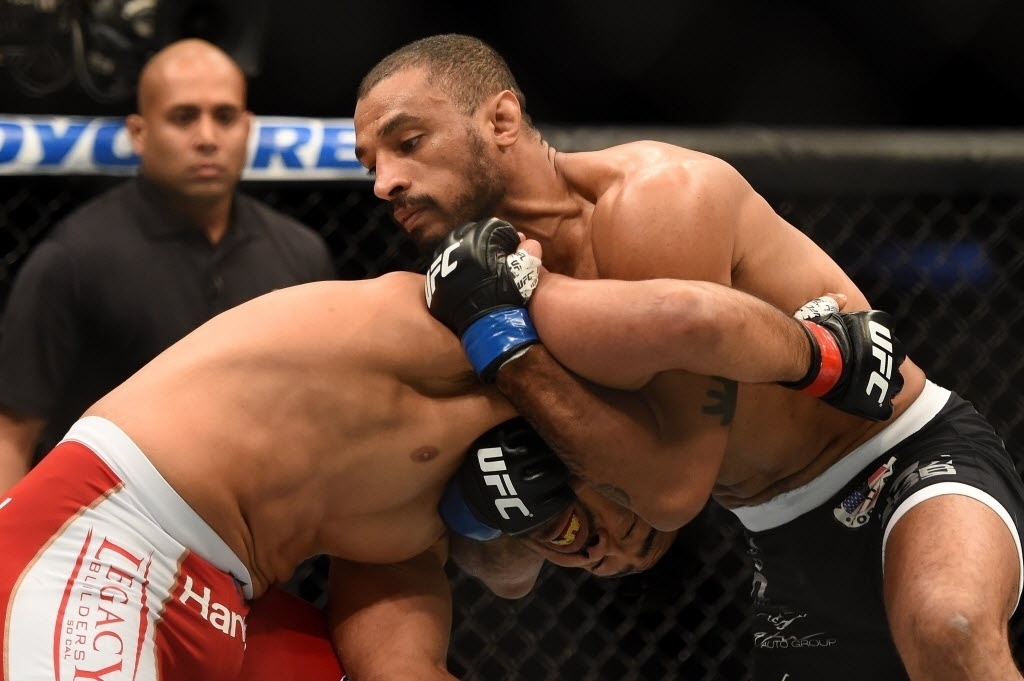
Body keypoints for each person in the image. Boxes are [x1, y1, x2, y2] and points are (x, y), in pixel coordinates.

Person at [350, 33, 1024, 681]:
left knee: (950, 623)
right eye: (370, 164)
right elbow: (522, 569)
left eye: (408, 143)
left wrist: (510, 344)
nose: (384, 182)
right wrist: (544, 515)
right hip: (778, 531)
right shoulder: (471, 290)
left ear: (501, 117)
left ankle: (820, 356)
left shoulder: (656, 200)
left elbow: (671, 489)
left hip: (904, 456)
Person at [0, 268, 865, 680]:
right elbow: (682, 314)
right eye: (623, 524)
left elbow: (402, 671)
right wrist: (821, 357)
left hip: (221, 601)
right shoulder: (473, 324)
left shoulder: (404, 530)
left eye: (612, 561)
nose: (601, 550)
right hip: (108, 531)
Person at [0, 37, 335, 493]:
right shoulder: (72, 259)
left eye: (225, 116)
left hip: (265, 543)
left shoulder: (301, 253)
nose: (207, 138)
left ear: (248, 126)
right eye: (183, 117)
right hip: (109, 536)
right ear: (139, 133)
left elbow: (331, 417)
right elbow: (11, 435)